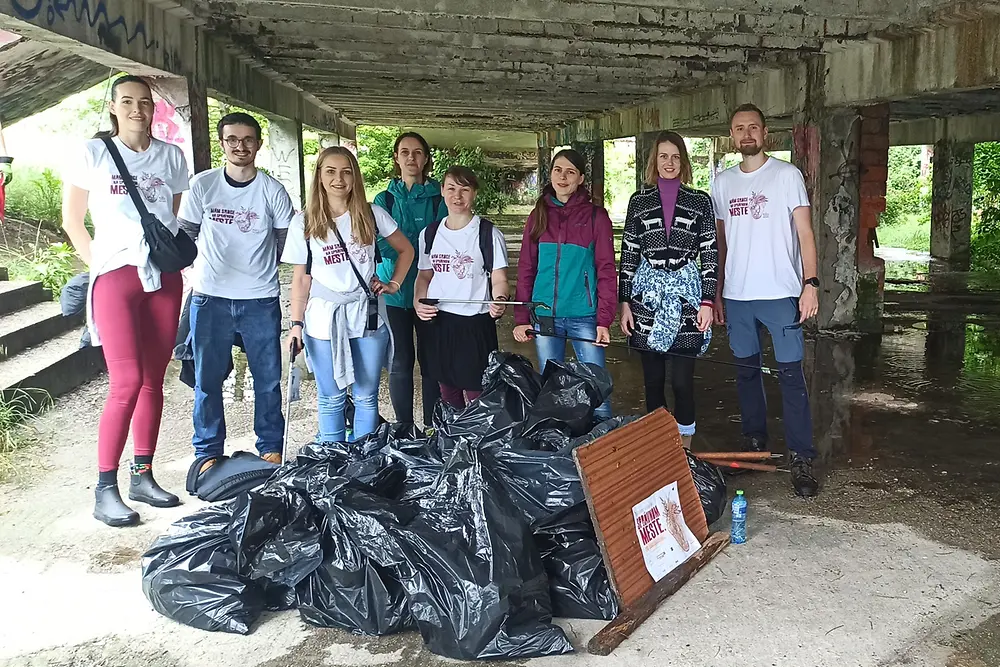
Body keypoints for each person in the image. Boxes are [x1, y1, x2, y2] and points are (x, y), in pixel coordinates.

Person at [61, 75, 190, 527]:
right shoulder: (93, 153)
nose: (137, 109)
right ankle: (104, 488)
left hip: (163, 277)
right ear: (113, 107)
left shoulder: (171, 156)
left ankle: (143, 475)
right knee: (127, 381)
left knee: (154, 379)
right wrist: (101, 263)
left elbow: (171, 213)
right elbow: (72, 220)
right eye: (128, 101)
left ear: (154, 108)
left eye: (144, 102)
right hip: (116, 277)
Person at [712, 103, 820, 497]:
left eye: (753, 127)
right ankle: (754, 443)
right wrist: (716, 292)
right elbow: (721, 243)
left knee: (791, 376)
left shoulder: (787, 175)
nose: (747, 134)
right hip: (738, 295)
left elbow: (805, 234)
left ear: (765, 133)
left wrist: (811, 284)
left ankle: (801, 457)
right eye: (740, 128)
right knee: (746, 374)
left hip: (780, 292)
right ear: (732, 135)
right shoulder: (723, 183)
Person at [177, 112, 296, 470]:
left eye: (247, 140)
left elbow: (285, 243)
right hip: (210, 297)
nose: (240, 146)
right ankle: (207, 452)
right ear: (222, 143)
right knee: (207, 380)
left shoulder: (272, 191)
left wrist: (257, 267)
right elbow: (186, 237)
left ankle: (270, 446)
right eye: (232, 139)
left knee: (268, 380)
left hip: (260, 298)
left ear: (259, 144)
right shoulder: (203, 185)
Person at [282, 146, 414, 444]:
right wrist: (296, 324)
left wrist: (393, 283)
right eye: (330, 171)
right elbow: (301, 278)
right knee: (331, 397)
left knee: (366, 396)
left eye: (346, 172)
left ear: (355, 177)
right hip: (322, 320)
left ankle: (363, 459)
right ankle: (333, 457)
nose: (338, 179)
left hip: (366, 315)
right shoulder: (304, 222)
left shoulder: (371, 214)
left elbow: (406, 250)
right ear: (319, 176)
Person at [619, 131, 717, 449]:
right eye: (663, 156)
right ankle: (659, 447)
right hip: (647, 301)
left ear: (683, 162)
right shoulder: (639, 201)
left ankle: (685, 449)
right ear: (655, 161)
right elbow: (629, 253)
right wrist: (624, 302)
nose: (669, 162)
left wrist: (707, 301)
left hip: (687, 300)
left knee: (682, 382)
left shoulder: (700, 201)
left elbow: (710, 253)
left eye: (675, 157)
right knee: (653, 381)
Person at [513, 149, 617, 419]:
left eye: (571, 172)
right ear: (550, 174)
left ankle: (604, 441)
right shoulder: (538, 215)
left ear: (580, 178)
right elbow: (526, 268)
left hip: (584, 315)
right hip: (545, 315)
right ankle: (558, 441)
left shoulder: (596, 217)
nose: (563, 176)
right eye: (558, 170)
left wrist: (604, 320)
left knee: (597, 388)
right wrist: (522, 317)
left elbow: (606, 269)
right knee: (551, 389)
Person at [413, 166, 509, 409]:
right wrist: (418, 301)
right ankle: (454, 431)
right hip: (438, 323)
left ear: (474, 193)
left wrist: (499, 299)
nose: (457, 196)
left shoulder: (488, 233)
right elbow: (424, 275)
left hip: (474, 324)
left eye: (464, 189)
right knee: (448, 391)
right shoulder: (430, 233)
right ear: (442, 191)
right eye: (451, 188)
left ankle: (477, 432)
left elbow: (499, 278)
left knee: (478, 392)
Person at [373, 133, 448, 428]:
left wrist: (404, 246)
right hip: (393, 292)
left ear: (426, 158)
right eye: (404, 152)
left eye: (417, 152)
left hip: (431, 291)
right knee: (400, 360)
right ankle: (404, 427)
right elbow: (379, 243)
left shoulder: (439, 197)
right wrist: (410, 249)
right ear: (396, 157)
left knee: (432, 361)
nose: (411, 158)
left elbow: (444, 240)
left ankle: (432, 426)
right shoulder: (385, 199)